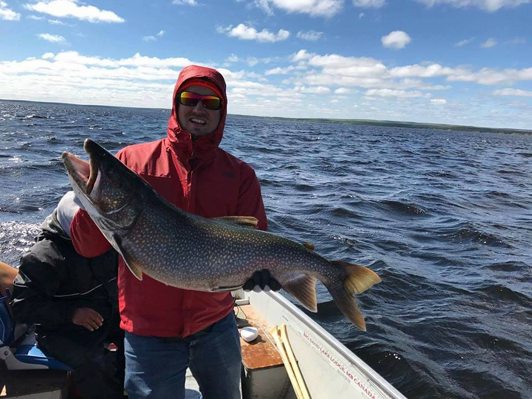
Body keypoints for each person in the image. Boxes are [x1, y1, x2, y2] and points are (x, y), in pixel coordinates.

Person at [69, 65, 280, 399]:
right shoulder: (130, 162)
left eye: (210, 102)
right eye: (190, 98)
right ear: (176, 104)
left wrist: (262, 273)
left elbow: (258, 242)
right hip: (147, 330)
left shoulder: (240, 175)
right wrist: (91, 202)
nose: (199, 108)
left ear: (222, 111)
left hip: (217, 324)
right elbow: (85, 247)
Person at [10, 191, 124, 399]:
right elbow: (22, 306)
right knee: (93, 364)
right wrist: (71, 313)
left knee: (143, 340)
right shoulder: (43, 257)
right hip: (61, 332)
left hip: (107, 316)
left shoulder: (107, 240)